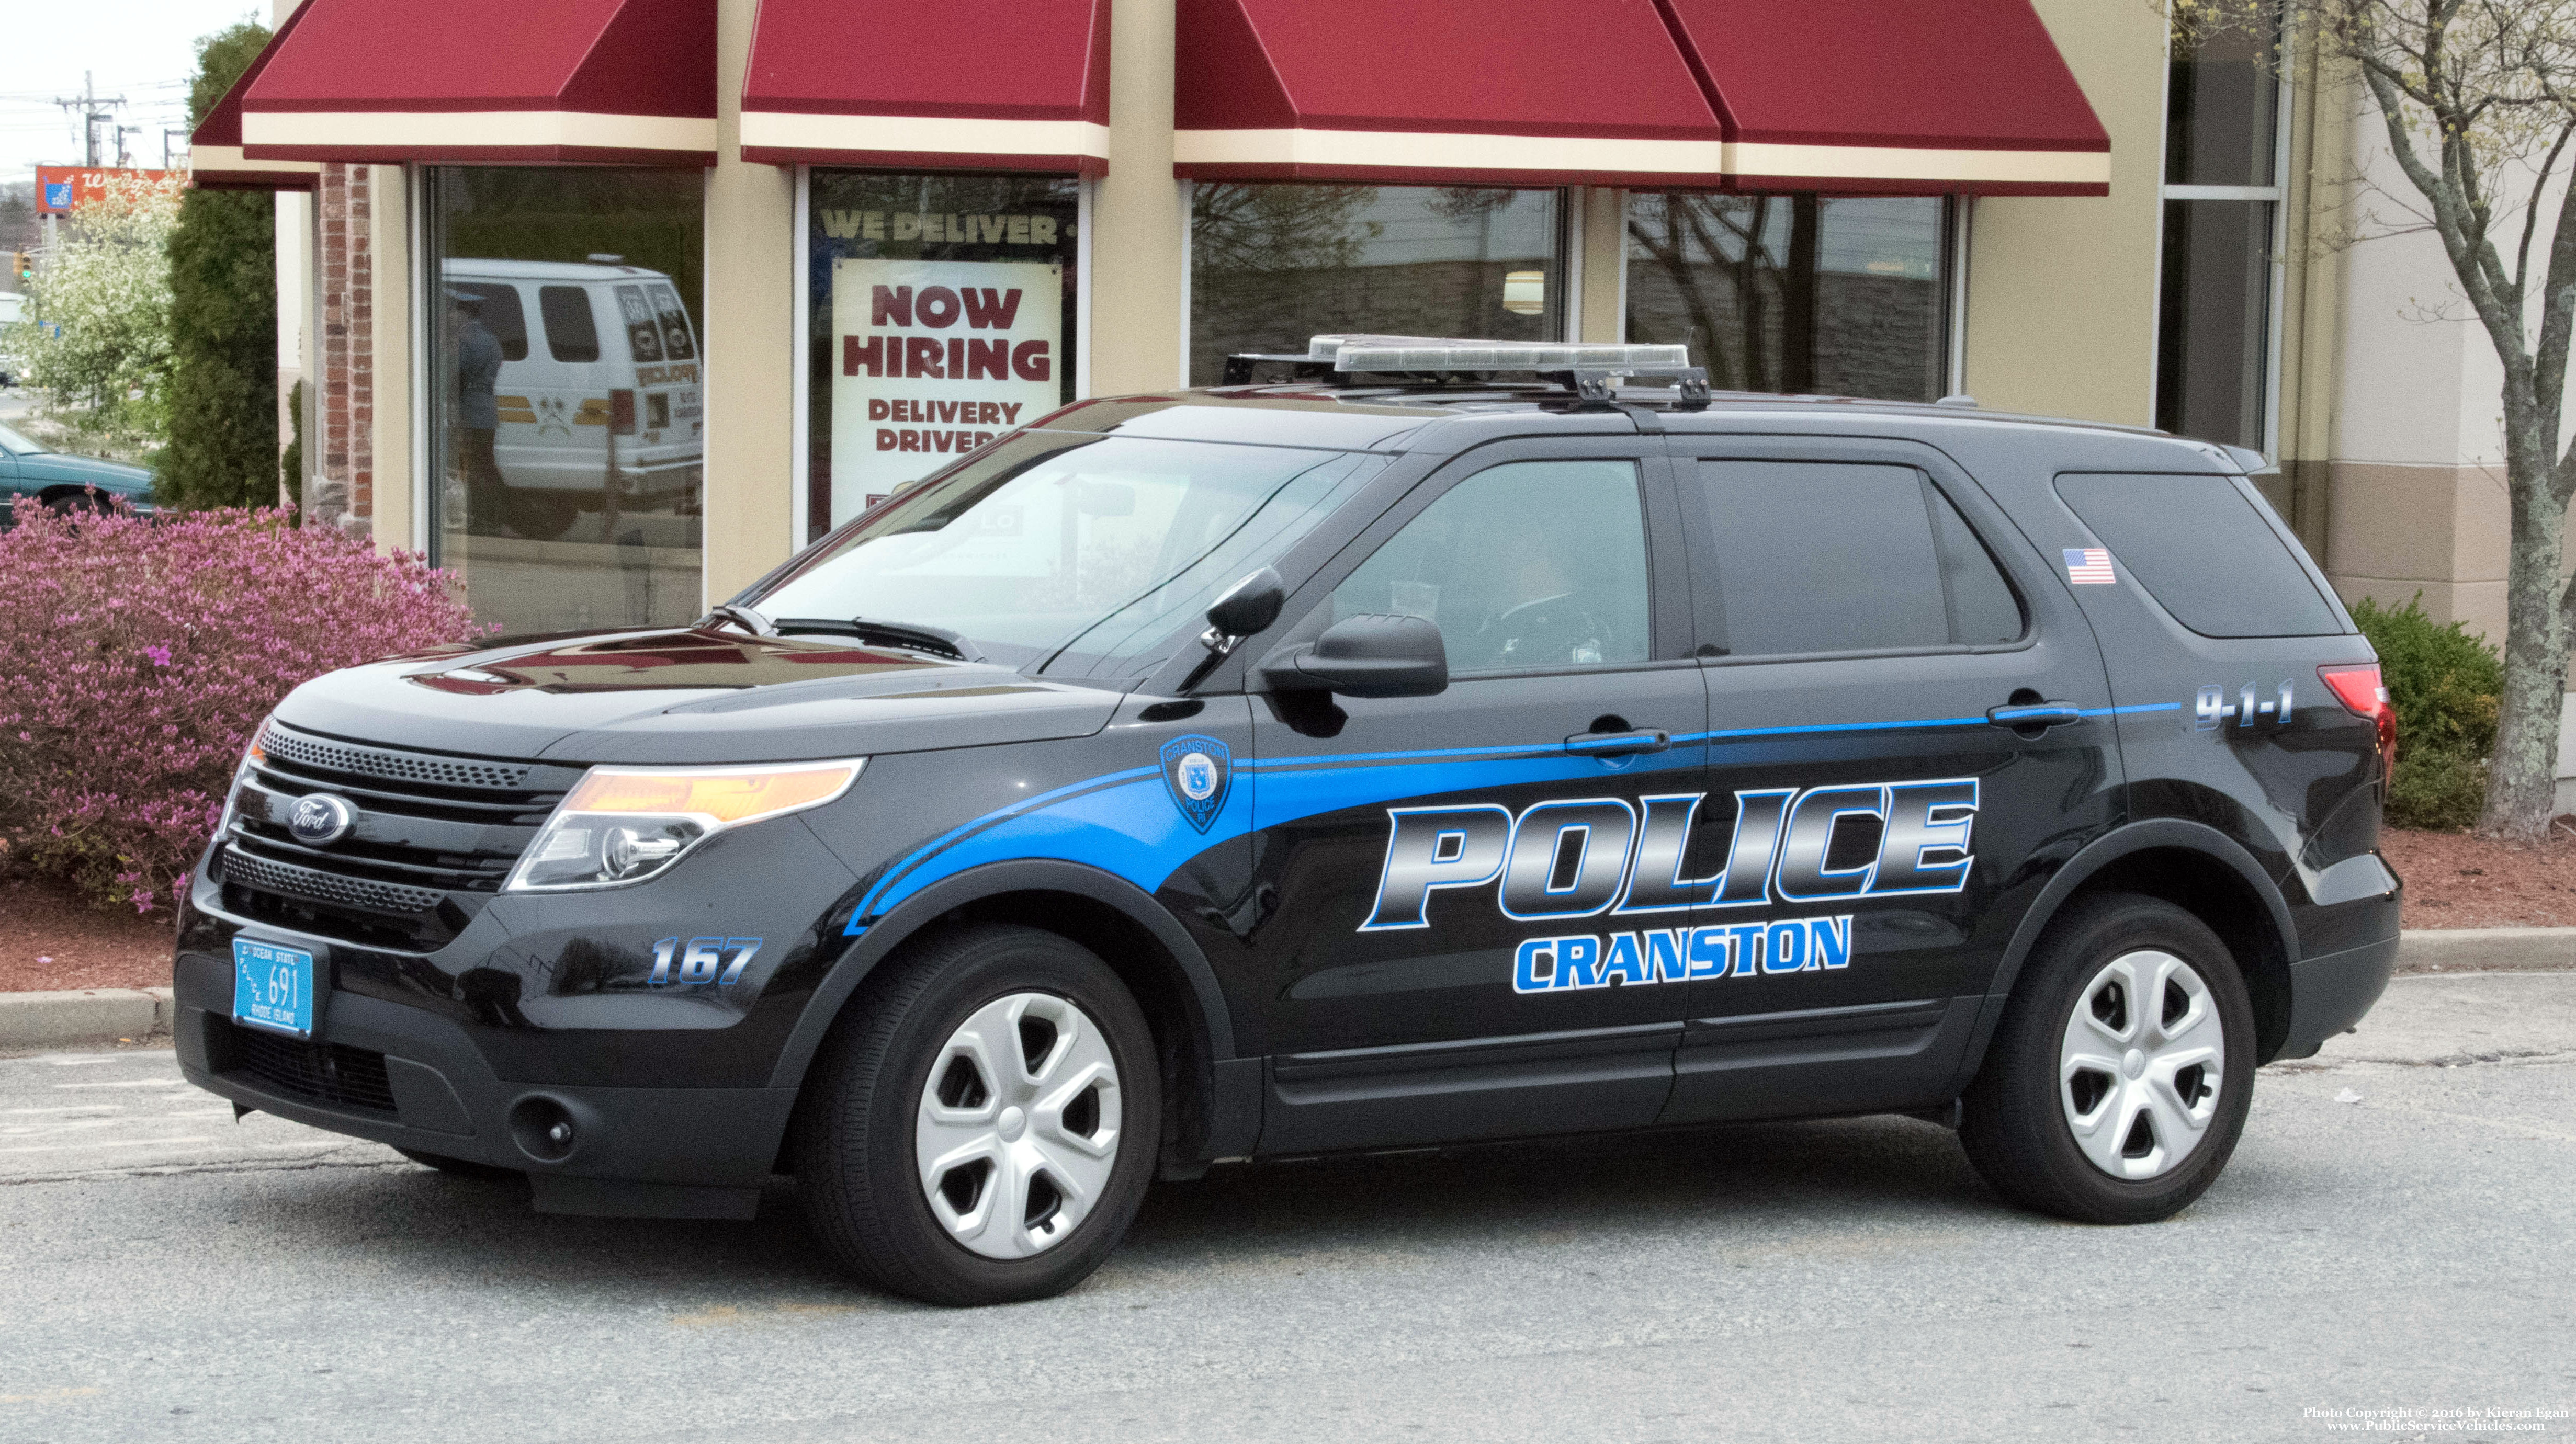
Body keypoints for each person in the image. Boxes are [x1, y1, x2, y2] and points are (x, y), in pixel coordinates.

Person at [447, 288, 505, 528]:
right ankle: (492, 516)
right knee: (485, 465)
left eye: (453, 312)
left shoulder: (466, 340)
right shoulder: (490, 339)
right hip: (487, 411)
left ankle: (485, 518)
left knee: (474, 468)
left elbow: (456, 376)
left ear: (464, 314)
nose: (450, 317)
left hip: (470, 411)